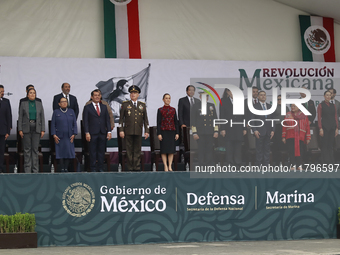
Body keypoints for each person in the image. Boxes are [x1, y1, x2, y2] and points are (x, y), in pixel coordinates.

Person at [119, 85, 149, 171]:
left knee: (137, 150)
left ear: (138, 94)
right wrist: (121, 130)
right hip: (128, 131)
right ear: (129, 94)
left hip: (138, 130)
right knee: (129, 150)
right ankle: (130, 167)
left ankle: (136, 167)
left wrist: (147, 131)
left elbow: (145, 120)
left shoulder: (142, 105)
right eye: (131, 93)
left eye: (135, 93)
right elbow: (121, 119)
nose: (133, 94)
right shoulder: (125, 104)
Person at [83, 89, 112, 172]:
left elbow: (107, 119)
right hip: (92, 133)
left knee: (101, 151)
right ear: (91, 97)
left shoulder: (104, 106)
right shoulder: (87, 107)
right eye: (95, 95)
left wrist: (109, 131)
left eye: (98, 95)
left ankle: (100, 168)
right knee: (92, 151)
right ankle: (93, 168)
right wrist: (87, 132)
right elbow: (86, 121)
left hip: (102, 132)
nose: (97, 97)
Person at [18, 88, 45, 173]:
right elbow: (20, 117)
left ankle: (35, 170)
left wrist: (43, 129)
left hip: (37, 128)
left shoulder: (39, 103)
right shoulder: (23, 103)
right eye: (31, 93)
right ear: (27, 94)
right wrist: (20, 129)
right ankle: (27, 170)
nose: (32, 94)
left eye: (34, 93)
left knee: (35, 149)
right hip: (26, 128)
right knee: (27, 149)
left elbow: (42, 117)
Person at [219, 88, 246, 168]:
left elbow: (244, 116)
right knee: (229, 146)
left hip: (238, 127)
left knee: (238, 146)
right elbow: (222, 115)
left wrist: (244, 128)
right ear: (228, 92)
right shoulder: (223, 101)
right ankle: (230, 164)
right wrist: (222, 128)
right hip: (228, 127)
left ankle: (238, 163)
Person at [51, 97, 77, 172]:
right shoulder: (56, 112)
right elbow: (53, 124)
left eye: (65, 101)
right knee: (61, 153)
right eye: (62, 101)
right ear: (59, 104)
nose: (64, 103)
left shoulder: (71, 111)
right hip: (59, 136)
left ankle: (66, 168)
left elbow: (74, 124)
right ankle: (62, 168)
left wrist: (74, 134)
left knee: (68, 153)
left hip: (69, 136)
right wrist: (54, 135)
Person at [192, 91, 218, 166]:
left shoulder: (211, 106)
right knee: (201, 150)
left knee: (209, 149)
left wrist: (216, 131)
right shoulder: (195, 106)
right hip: (200, 132)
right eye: (203, 96)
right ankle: (202, 165)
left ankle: (209, 165)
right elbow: (193, 121)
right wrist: (194, 133)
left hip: (210, 131)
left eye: (207, 96)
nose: (205, 98)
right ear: (200, 97)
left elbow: (215, 119)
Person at [282, 104, 311, 170]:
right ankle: (292, 166)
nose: (293, 107)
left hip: (300, 136)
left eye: (294, 106)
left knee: (300, 151)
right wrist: (283, 136)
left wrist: (308, 137)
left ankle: (299, 166)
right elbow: (284, 126)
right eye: (292, 106)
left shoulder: (304, 115)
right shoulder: (288, 114)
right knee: (291, 151)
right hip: (290, 135)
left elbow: (307, 126)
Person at [251, 91, 274, 166]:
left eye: (264, 95)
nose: (263, 96)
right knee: (259, 150)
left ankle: (266, 165)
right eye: (261, 95)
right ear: (258, 96)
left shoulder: (270, 106)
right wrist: (254, 130)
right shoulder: (255, 106)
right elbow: (252, 119)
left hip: (268, 131)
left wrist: (273, 130)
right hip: (259, 131)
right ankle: (259, 165)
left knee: (267, 149)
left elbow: (273, 119)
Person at [157, 93, 179, 171]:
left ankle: (170, 166)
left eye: (169, 98)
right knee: (164, 150)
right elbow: (158, 122)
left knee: (171, 150)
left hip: (171, 131)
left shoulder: (173, 109)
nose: (168, 100)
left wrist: (177, 133)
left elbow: (176, 122)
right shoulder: (160, 110)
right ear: (163, 100)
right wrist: (159, 133)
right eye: (166, 98)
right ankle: (165, 166)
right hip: (163, 132)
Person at [317, 90, 339, 164]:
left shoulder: (334, 105)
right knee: (324, 145)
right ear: (324, 96)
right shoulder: (321, 105)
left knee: (331, 145)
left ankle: (331, 162)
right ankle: (324, 162)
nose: (328, 96)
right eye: (327, 95)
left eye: (330, 95)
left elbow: (335, 117)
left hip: (332, 127)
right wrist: (320, 128)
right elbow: (319, 118)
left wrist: (337, 128)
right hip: (324, 127)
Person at [271, 94, 290, 165]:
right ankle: (277, 161)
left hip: (285, 127)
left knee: (284, 144)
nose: (279, 100)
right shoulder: (274, 108)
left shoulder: (286, 108)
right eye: (278, 99)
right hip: (277, 127)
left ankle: (284, 161)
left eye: (281, 99)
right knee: (277, 145)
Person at [0, 85, 12, 173]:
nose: (2, 93)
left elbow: (9, 116)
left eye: (3, 91)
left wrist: (8, 131)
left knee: (1, 150)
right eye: (1, 91)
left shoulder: (6, 101)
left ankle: (0, 168)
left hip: (3, 130)